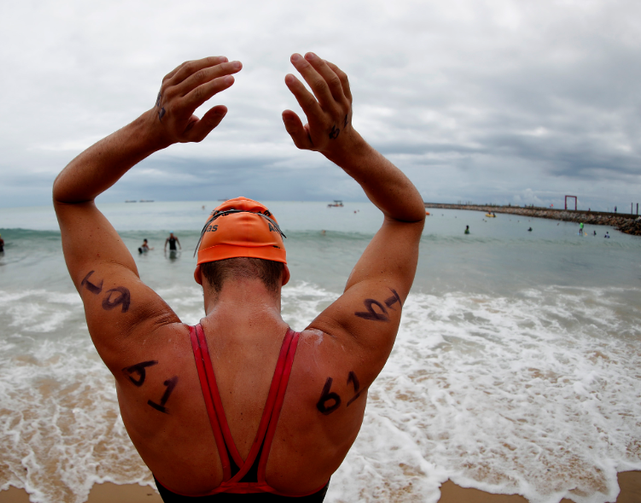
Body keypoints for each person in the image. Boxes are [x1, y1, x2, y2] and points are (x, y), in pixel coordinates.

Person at [53, 53, 425, 500]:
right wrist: (345, 145)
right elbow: (407, 217)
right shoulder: (346, 350)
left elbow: (71, 196)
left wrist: (153, 129)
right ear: (282, 273)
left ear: (201, 272)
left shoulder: (139, 340)